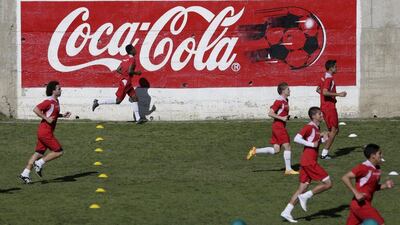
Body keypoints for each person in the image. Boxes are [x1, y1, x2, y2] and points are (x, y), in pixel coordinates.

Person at [280, 107, 332, 223]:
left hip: (306, 161)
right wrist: (312, 144)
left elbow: (315, 143)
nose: (322, 116)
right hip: (309, 162)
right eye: (320, 114)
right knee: (328, 183)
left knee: (302, 188)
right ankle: (306, 196)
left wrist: (324, 138)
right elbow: (296, 138)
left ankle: (287, 211)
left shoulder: (317, 128)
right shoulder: (309, 127)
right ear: (313, 116)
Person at [19, 81, 71, 184]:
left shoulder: (56, 101)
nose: (61, 90)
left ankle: (25, 173)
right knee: (58, 151)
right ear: (53, 91)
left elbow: (53, 114)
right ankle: (39, 163)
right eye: (59, 89)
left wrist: (62, 115)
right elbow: (36, 109)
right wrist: (46, 118)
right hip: (45, 132)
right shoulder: (48, 101)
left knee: (38, 153)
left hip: (45, 131)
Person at [246, 82, 298, 175]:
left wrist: (285, 117)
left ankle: (255, 151)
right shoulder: (279, 101)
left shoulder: (286, 100)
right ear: (283, 91)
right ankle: (288, 169)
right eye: (288, 89)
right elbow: (270, 113)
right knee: (287, 146)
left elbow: (279, 112)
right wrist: (282, 118)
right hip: (278, 127)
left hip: (278, 126)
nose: (290, 90)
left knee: (276, 150)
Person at [92, 44, 146, 124]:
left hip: (127, 81)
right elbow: (130, 71)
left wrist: (125, 75)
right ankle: (97, 102)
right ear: (131, 50)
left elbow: (118, 70)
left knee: (135, 98)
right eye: (134, 48)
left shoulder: (125, 59)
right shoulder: (132, 59)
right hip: (126, 82)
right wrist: (137, 73)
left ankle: (138, 119)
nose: (135, 49)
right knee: (118, 101)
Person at [342, 144, 394, 225]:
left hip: (363, 204)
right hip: (361, 204)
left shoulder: (377, 169)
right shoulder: (363, 167)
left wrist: (385, 185)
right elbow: (345, 177)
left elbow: (373, 187)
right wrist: (356, 193)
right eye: (379, 153)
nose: (381, 155)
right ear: (373, 156)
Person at [316, 60, 347, 159]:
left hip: (325, 106)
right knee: (334, 130)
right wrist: (338, 94)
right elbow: (324, 92)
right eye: (335, 67)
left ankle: (319, 140)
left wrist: (331, 98)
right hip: (329, 107)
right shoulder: (329, 78)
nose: (337, 68)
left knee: (334, 130)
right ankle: (324, 154)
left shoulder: (323, 76)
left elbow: (318, 89)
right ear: (331, 68)